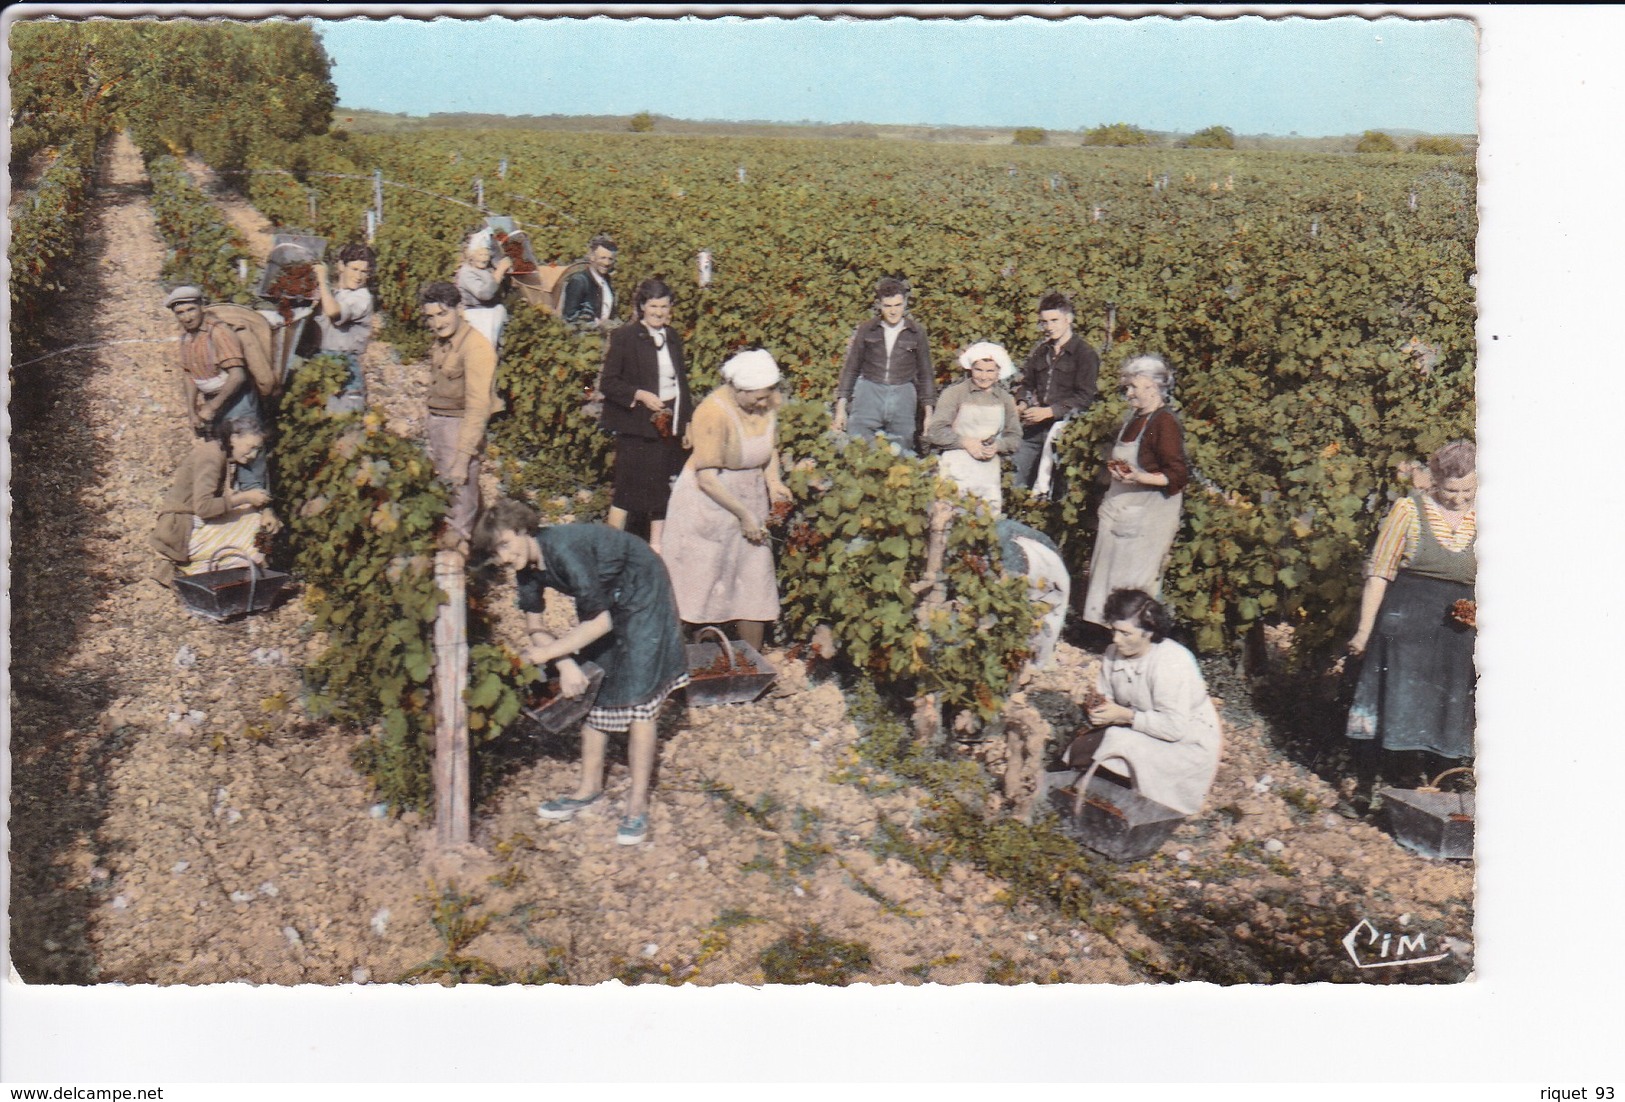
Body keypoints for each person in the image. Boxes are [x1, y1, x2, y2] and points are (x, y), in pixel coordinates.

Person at [473, 499, 689, 847]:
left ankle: (637, 804)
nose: (503, 557)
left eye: (505, 545)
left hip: (642, 587)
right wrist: (565, 663)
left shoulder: (564, 550)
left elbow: (600, 622)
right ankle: (589, 788)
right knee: (597, 685)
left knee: (638, 695)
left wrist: (549, 652)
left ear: (523, 530)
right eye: (495, 553)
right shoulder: (527, 568)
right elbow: (534, 625)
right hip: (608, 599)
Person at [1345, 440, 1477, 802]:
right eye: (1451, 490)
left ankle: (1444, 795)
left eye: (1469, 490)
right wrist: (1363, 631)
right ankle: (1373, 789)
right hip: (1406, 627)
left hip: (1458, 632)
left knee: (1449, 709)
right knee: (1398, 702)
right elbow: (1379, 573)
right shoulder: (1408, 510)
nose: (1459, 499)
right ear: (1435, 481)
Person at [660, 348, 790, 652]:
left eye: (766, 396)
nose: (763, 403)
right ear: (738, 390)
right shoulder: (712, 412)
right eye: (756, 398)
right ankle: (696, 652)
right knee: (706, 576)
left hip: (750, 496)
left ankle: (750, 658)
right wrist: (745, 515)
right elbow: (706, 477)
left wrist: (773, 483)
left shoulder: (768, 402)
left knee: (754, 575)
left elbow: (769, 448)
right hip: (710, 500)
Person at [1062, 589, 1222, 817]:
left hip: (1185, 744)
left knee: (1117, 740)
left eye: (1126, 633)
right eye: (1114, 631)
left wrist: (1124, 716)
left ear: (1149, 632)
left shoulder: (1170, 662)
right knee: (1082, 745)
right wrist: (1097, 708)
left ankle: (1138, 804)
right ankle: (1102, 795)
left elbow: (1174, 728)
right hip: (1146, 731)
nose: (1117, 639)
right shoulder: (1113, 653)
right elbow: (1105, 694)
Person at [1081, 354, 1189, 627]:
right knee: (1110, 572)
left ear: (1152, 387)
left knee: (1134, 577)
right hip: (1122, 504)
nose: (1128, 393)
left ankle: (1135, 635)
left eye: (1133, 387)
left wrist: (1141, 476)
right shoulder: (1135, 417)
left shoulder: (1164, 422)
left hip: (1148, 512)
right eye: (1127, 387)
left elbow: (1177, 475)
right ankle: (1113, 633)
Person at [598, 278, 693, 550]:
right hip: (636, 427)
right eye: (653, 306)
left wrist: (686, 423)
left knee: (661, 489)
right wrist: (639, 394)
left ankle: (657, 549)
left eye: (664, 306)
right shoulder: (625, 338)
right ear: (642, 307)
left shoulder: (672, 336)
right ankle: (610, 548)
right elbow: (609, 383)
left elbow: (681, 384)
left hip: (667, 427)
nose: (659, 313)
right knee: (627, 489)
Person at [420, 281, 501, 552]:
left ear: (460, 309)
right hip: (441, 425)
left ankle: (459, 572)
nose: (437, 322)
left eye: (443, 314)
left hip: (459, 429)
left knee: (460, 502)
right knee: (449, 496)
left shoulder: (477, 347)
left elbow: (478, 408)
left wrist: (462, 459)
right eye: (430, 317)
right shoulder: (444, 341)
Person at [165, 285, 268, 491]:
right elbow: (190, 374)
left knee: (248, 451)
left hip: (238, 399)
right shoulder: (187, 337)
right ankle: (229, 501)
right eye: (180, 313)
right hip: (215, 400)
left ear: (201, 306)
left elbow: (237, 376)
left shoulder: (219, 332)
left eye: (191, 310)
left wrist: (211, 408)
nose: (186, 317)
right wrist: (192, 411)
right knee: (221, 452)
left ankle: (257, 506)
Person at [149, 416, 275, 578]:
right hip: (180, 531)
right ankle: (198, 570)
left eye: (257, 450)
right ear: (234, 438)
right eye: (251, 448)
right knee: (254, 524)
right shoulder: (211, 456)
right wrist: (244, 498)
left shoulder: (219, 452)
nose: (253, 455)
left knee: (254, 516)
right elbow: (204, 508)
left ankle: (257, 568)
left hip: (187, 523)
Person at [832, 276, 935, 455]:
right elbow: (851, 368)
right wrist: (841, 408)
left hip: (903, 391)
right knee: (859, 446)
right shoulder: (867, 329)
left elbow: (926, 374)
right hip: (870, 391)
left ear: (905, 304)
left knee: (902, 449)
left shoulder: (916, 332)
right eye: (888, 306)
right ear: (880, 305)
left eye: (898, 305)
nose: (893, 311)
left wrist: (929, 413)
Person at [1012, 292, 1100, 494]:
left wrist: (1051, 411)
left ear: (1068, 319)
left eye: (1054, 320)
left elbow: (1085, 397)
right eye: (1044, 322)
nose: (1049, 326)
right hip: (1035, 427)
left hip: (1065, 429)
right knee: (1016, 476)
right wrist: (1022, 403)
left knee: (1056, 487)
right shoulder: (1041, 352)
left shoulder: (1085, 354)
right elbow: (1027, 384)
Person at [923, 341, 1021, 514]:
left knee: (987, 521)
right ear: (970, 369)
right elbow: (935, 431)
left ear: (999, 372)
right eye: (979, 370)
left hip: (988, 469)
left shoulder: (1005, 399)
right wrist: (965, 442)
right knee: (951, 516)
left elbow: (1014, 437)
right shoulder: (954, 394)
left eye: (990, 371)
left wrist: (998, 446)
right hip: (956, 464)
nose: (984, 376)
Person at [312, 243, 375, 410]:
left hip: (346, 367)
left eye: (364, 272)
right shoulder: (333, 294)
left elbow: (333, 311)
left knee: (344, 426)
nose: (359, 276)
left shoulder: (362, 297)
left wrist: (321, 280)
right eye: (354, 269)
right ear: (341, 266)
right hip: (320, 363)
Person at [455, 230, 513, 352]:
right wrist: (500, 271)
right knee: (482, 351)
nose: (485, 258)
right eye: (481, 255)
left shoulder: (486, 270)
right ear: (472, 255)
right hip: (478, 317)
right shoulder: (466, 273)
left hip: (492, 315)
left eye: (487, 255)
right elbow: (485, 294)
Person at [561, 234, 618, 328]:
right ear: (592, 257)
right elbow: (570, 317)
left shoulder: (608, 281)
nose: (606, 263)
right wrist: (598, 324)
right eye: (602, 258)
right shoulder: (579, 281)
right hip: (583, 339)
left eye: (610, 259)